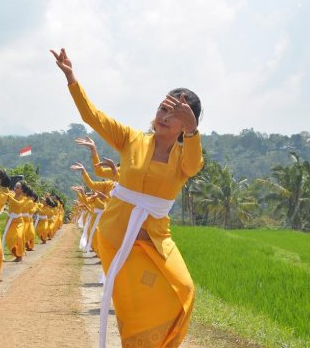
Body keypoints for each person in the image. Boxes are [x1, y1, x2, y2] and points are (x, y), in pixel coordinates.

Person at [52, 48, 203, 347]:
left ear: (186, 124)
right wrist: (72, 79)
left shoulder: (186, 156)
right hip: (116, 238)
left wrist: (194, 132)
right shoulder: (131, 139)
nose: (165, 116)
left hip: (156, 240)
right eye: (163, 108)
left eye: (176, 114)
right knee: (134, 314)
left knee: (184, 290)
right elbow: (92, 116)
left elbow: (194, 165)